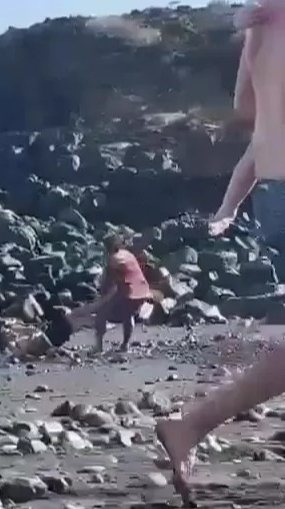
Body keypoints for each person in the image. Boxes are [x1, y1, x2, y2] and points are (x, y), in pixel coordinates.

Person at [158, 1, 285, 504]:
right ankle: (191, 424)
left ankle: (190, 425)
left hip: (274, 191)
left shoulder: (260, 18)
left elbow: (248, 109)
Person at [66, 233, 152, 353]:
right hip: (142, 290)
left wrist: (103, 301)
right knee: (128, 315)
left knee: (102, 313)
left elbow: (112, 284)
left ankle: (99, 346)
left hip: (128, 290)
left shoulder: (113, 260)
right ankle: (125, 345)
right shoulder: (128, 255)